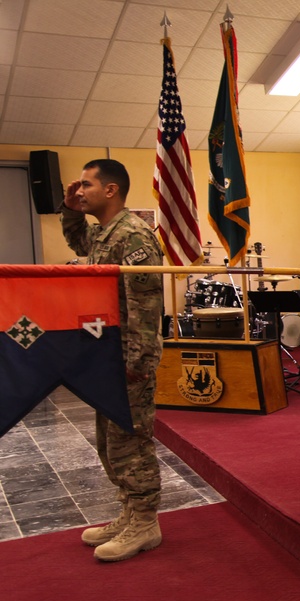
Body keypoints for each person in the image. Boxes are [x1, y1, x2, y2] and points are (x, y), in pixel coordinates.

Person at [61, 158, 165, 562]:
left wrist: (139, 361)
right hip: (107, 354)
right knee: (110, 440)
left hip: (128, 356)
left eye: (86, 185)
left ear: (111, 190)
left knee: (131, 439)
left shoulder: (134, 236)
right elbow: (79, 243)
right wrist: (70, 211)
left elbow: (146, 305)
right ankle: (129, 509)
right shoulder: (106, 233)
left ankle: (145, 521)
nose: (80, 190)